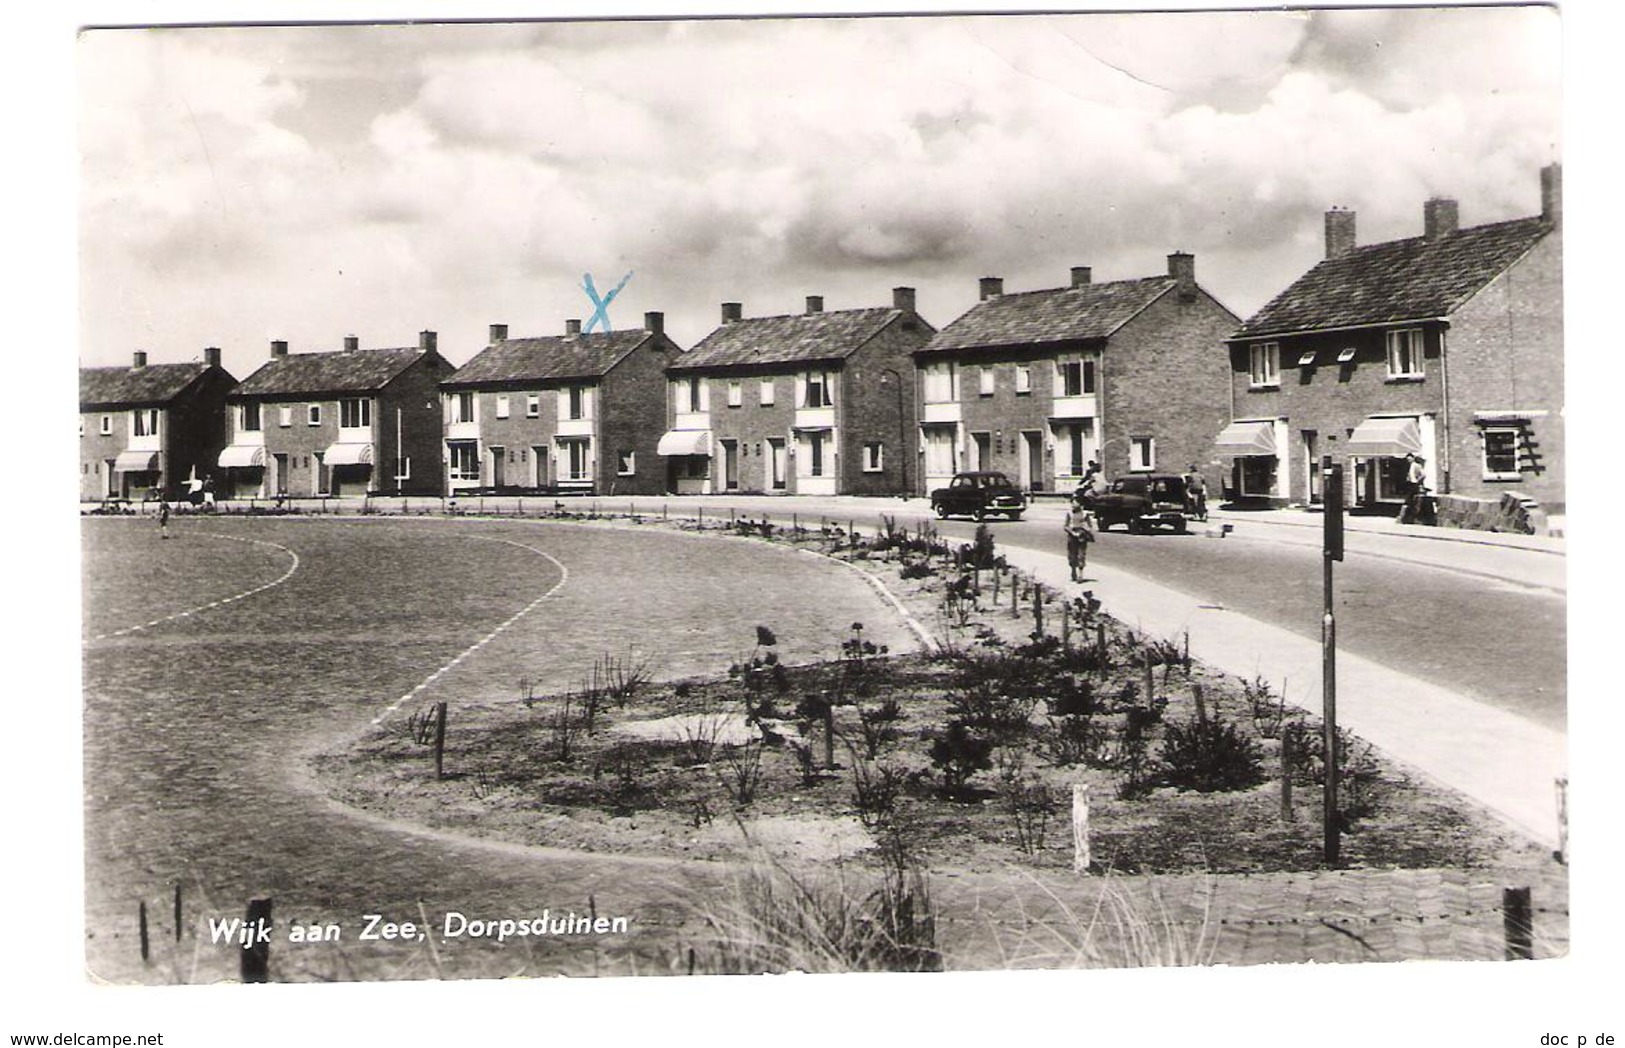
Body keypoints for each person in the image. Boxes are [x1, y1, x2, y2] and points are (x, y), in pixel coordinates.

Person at [1063, 497, 1096, 582]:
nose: (1073, 505)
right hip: (1072, 535)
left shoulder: (1085, 514)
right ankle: (1073, 570)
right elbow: (1065, 526)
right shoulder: (1069, 513)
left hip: (1082, 536)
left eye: (1074, 503)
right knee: (1072, 555)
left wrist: (1086, 529)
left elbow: (1090, 526)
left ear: (1080, 504)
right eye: (1072, 503)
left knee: (1081, 555)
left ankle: (1080, 574)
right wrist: (1072, 532)